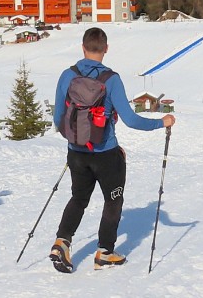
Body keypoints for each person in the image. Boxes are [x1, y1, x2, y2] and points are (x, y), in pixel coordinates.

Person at [50, 26, 175, 272]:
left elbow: (58, 118)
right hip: (106, 154)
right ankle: (105, 252)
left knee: (79, 198)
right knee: (113, 200)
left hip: (76, 153)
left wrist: (76, 140)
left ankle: (61, 243)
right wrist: (162, 122)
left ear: (82, 47)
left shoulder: (67, 75)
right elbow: (131, 120)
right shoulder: (112, 79)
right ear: (106, 49)